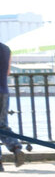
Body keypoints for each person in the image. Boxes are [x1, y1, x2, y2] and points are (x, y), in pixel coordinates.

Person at [0, 41, 25, 169]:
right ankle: (16, 148)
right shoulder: (5, 48)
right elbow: (7, 72)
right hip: (3, 91)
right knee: (2, 124)